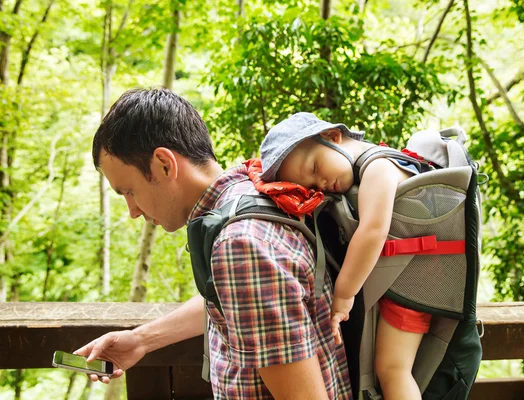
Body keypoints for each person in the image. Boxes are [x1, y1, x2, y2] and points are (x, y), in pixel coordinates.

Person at [75, 89, 352, 399]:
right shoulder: (250, 191)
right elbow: (234, 302)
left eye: (129, 191)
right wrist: (141, 340)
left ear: (165, 165)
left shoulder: (240, 245)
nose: (132, 211)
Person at [259, 112, 432, 400]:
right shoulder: (375, 164)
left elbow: (373, 230)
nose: (321, 183)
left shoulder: (379, 167)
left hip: (417, 282)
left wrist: (343, 295)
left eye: (314, 167)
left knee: (393, 371)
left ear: (332, 136)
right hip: (414, 277)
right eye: (312, 186)